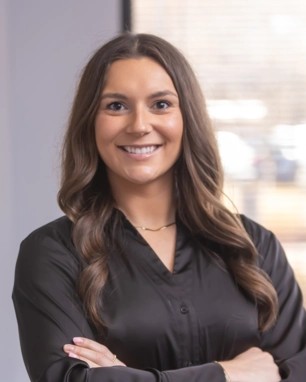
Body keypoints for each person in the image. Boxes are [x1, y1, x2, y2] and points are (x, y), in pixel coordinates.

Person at [12, 33, 306, 382]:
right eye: (116, 106)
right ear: (91, 121)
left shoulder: (253, 246)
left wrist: (127, 377)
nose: (139, 125)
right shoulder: (52, 254)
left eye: (161, 104)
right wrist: (227, 374)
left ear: (187, 119)